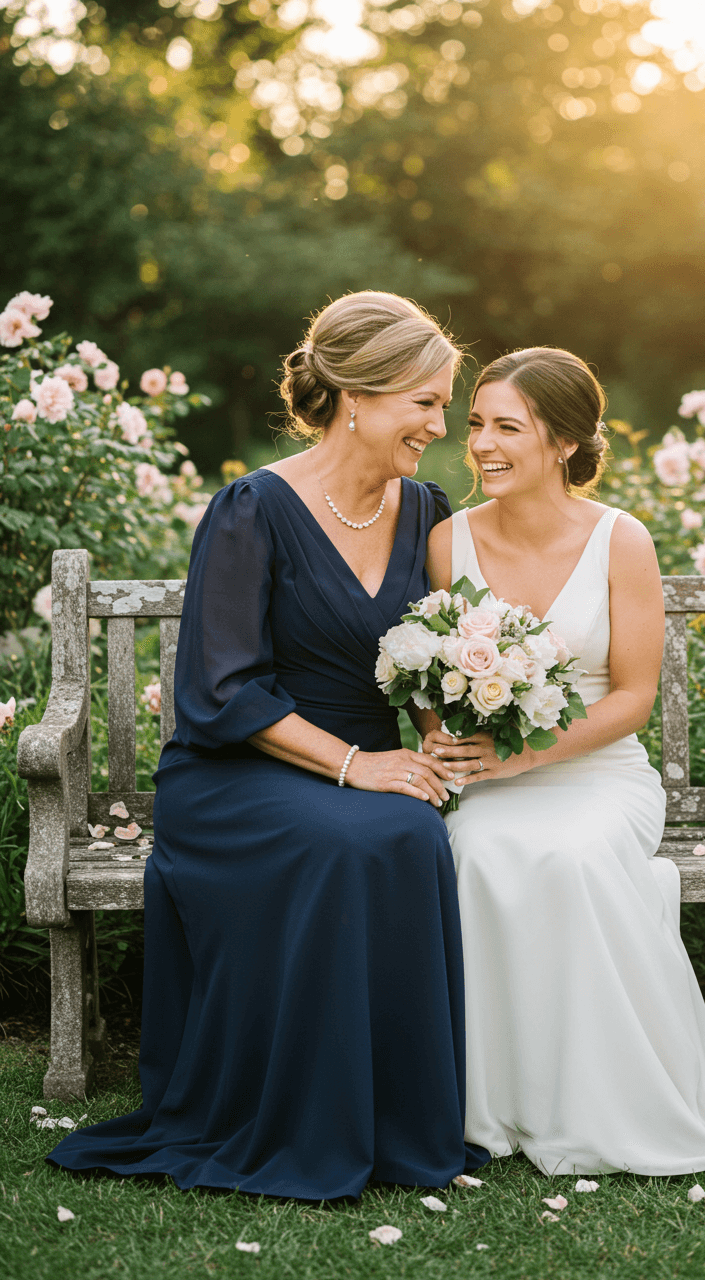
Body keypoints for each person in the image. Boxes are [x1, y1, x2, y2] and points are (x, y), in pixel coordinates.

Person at [49, 291, 488, 1200]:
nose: (440, 426)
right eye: (425, 402)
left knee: (404, 835)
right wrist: (354, 765)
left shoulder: (426, 510)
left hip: (368, 769)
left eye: (444, 404)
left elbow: (433, 656)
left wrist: (448, 732)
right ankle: (291, 1117)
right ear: (359, 394)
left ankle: (396, 1125)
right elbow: (222, 689)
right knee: (354, 838)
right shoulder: (253, 507)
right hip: (241, 771)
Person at [422, 347, 705, 1177]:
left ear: (565, 441)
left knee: (569, 857)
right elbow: (433, 675)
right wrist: (451, 735)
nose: (483, 445)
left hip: (601, 776)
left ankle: (596, 1101)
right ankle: (490, 1107)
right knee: (474, 852)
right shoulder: (446, 541)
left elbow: (633, 698)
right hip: (490, 780)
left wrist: (519, 757)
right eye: (476, 426)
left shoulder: (620, 538)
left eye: (509, 427)